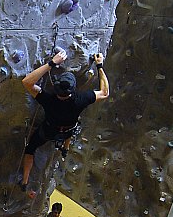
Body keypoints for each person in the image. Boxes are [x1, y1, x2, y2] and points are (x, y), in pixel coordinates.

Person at [20, 50, 109, 190]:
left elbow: (27, 82)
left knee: (30, 149)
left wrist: (51, 63)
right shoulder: (81, 99)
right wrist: (99, 66)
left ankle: (25, 181)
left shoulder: (48, 100)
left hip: (48, 131)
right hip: (68, 130)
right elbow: (104, 92)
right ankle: (65, 148)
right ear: (73, 89)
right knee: (72, 127)